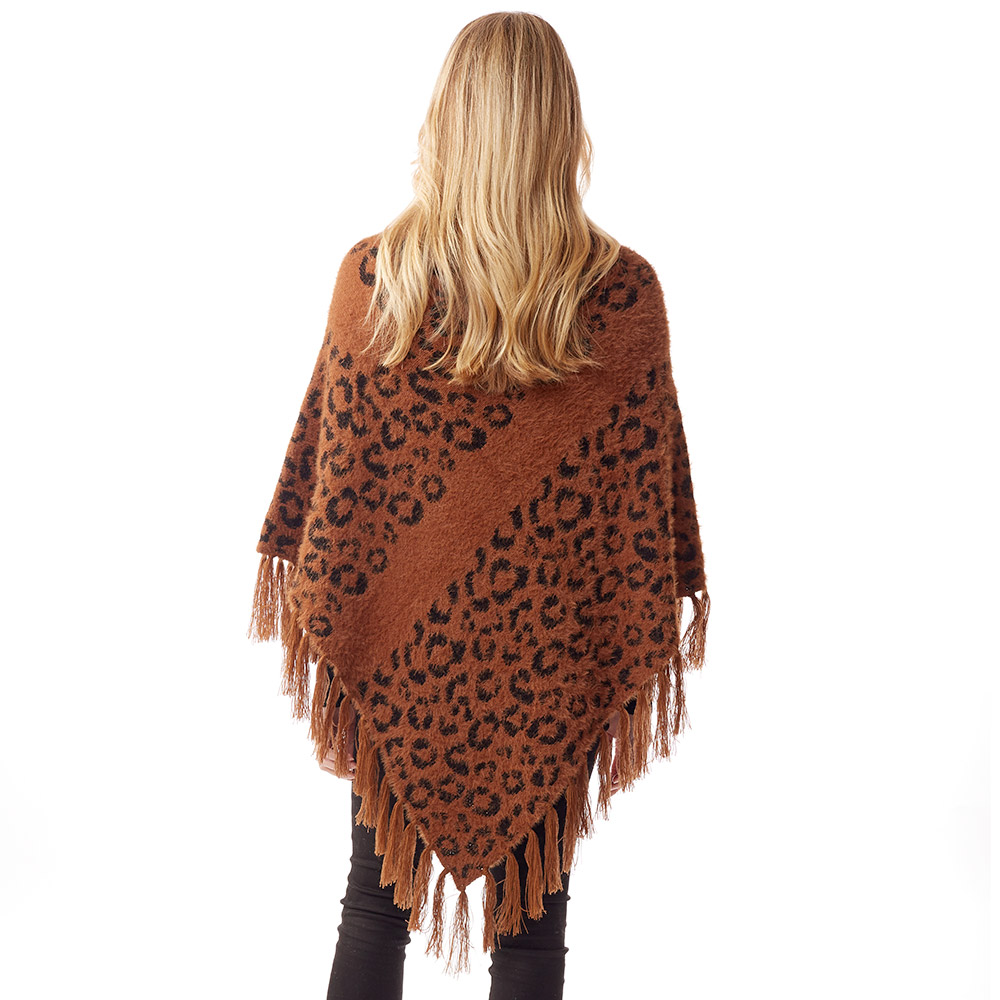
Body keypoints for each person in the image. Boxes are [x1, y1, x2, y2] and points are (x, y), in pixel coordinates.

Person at [248, 11, 710, 1000]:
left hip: (403, 662)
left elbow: (337, 518)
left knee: (372, 906)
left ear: (446, 120)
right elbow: (638, 535)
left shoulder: (376, 281)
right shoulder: (621, 295)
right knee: (534, 935)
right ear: (562, 129)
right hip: (549, 665)